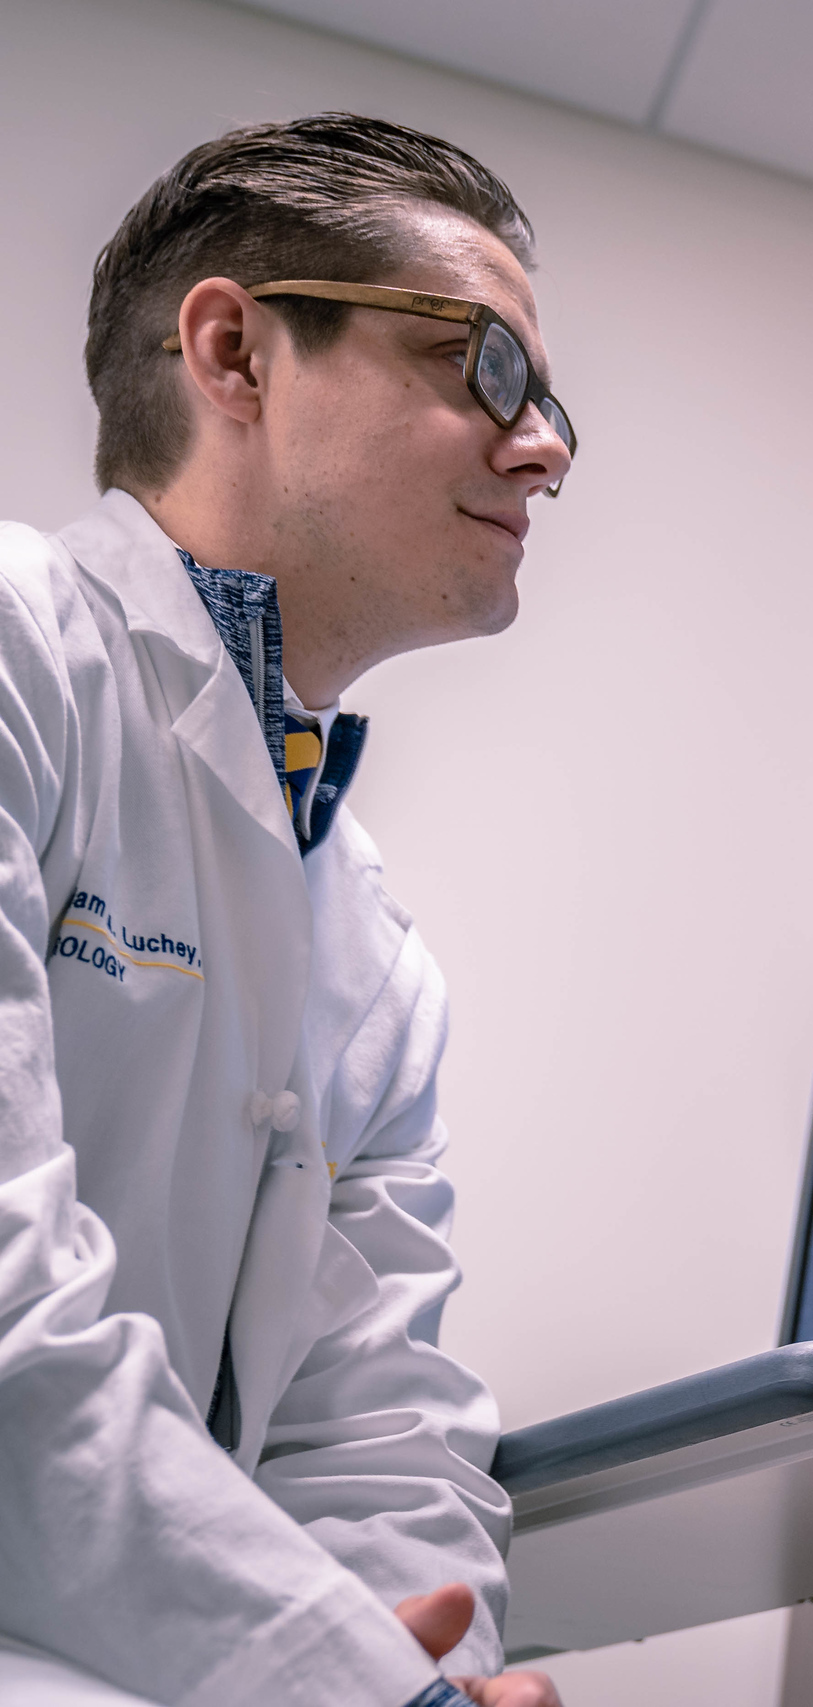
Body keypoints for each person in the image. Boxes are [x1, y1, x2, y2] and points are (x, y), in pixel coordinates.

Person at [0, 116, 575, 1705]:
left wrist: (437, 1673)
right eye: (487, 368)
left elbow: (379, 1434)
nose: (547, 449)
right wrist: (343, 1682)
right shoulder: (16, 658)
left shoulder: (371, 954)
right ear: (237, 353)